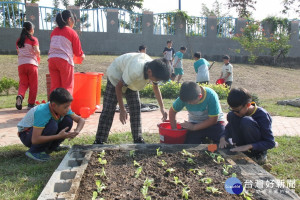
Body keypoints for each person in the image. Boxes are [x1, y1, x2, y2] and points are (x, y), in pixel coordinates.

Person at [94, 53, 171, 144]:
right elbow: (118, 87)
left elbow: (155, 88)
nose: (157, 81)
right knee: (108, 109)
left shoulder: (154, 68)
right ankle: (99, 141)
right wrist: (122, 109)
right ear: (149, 72)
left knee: (136, 108)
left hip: (131, 83)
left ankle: (138, 139)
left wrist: (162, 107)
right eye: (157, 79)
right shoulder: (135, 70)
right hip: (116, 77)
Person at [17, 88, 85, 161]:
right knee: (52, 125)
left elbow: (81, 120)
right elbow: (35, 139)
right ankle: (34, 151)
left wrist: (77, 130)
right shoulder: (42, 112)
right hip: (26, 135)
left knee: (68, 120)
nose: (67, 109)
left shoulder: (63, 109)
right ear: (53, 105)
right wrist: (58, 136)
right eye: (65, 107)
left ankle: (53, 147)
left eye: (69, 106)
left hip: (36, 135)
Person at [219, 88, 276, 164]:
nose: (235, 113)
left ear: (248, 105)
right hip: (240, 145)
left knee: (246, 121)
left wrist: (249, 146)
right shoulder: (236, 113)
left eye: (237, 111)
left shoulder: (262, 115)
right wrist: (223, 137)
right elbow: (228, 127)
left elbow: (270, 143)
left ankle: (258, 155)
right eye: (232, 109)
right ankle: (239, 148)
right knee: (231, 115)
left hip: (255, 147)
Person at [48, 10, 85, 95]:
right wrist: (83, 56)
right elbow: (78, 52)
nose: (74, 24)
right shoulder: (72, 32)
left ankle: (54, 107)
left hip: (52, 60)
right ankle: (66, 108)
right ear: (69, 19)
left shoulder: (54, 32)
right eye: (73, 21)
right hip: (64, 61)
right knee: (67, 87)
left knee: (55, 87)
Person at [16, 21, 40, 110]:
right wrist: (38, 55)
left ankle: (20, 96)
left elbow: (18, 52)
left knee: (23, 83)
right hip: (32, 64)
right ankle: (31, 104)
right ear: (31, 30)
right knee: (33, 85)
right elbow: (37, 51)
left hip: (21, 65)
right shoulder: (34, 39)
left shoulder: (19, 41)